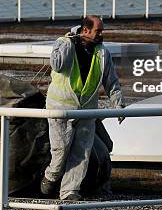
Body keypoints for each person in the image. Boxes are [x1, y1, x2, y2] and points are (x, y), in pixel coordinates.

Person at [41, 15, 124, 201]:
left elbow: (111, 81)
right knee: (61, 151)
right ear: (85, 30)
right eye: (98, 31)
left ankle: (70, 191)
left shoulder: (102, 53)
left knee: (82, 153)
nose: (101, 35)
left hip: (87, 110)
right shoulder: (63, 43)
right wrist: (67, 44)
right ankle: (51, 177)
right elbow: (57, 65)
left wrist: (118, 104)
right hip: (60, 109)